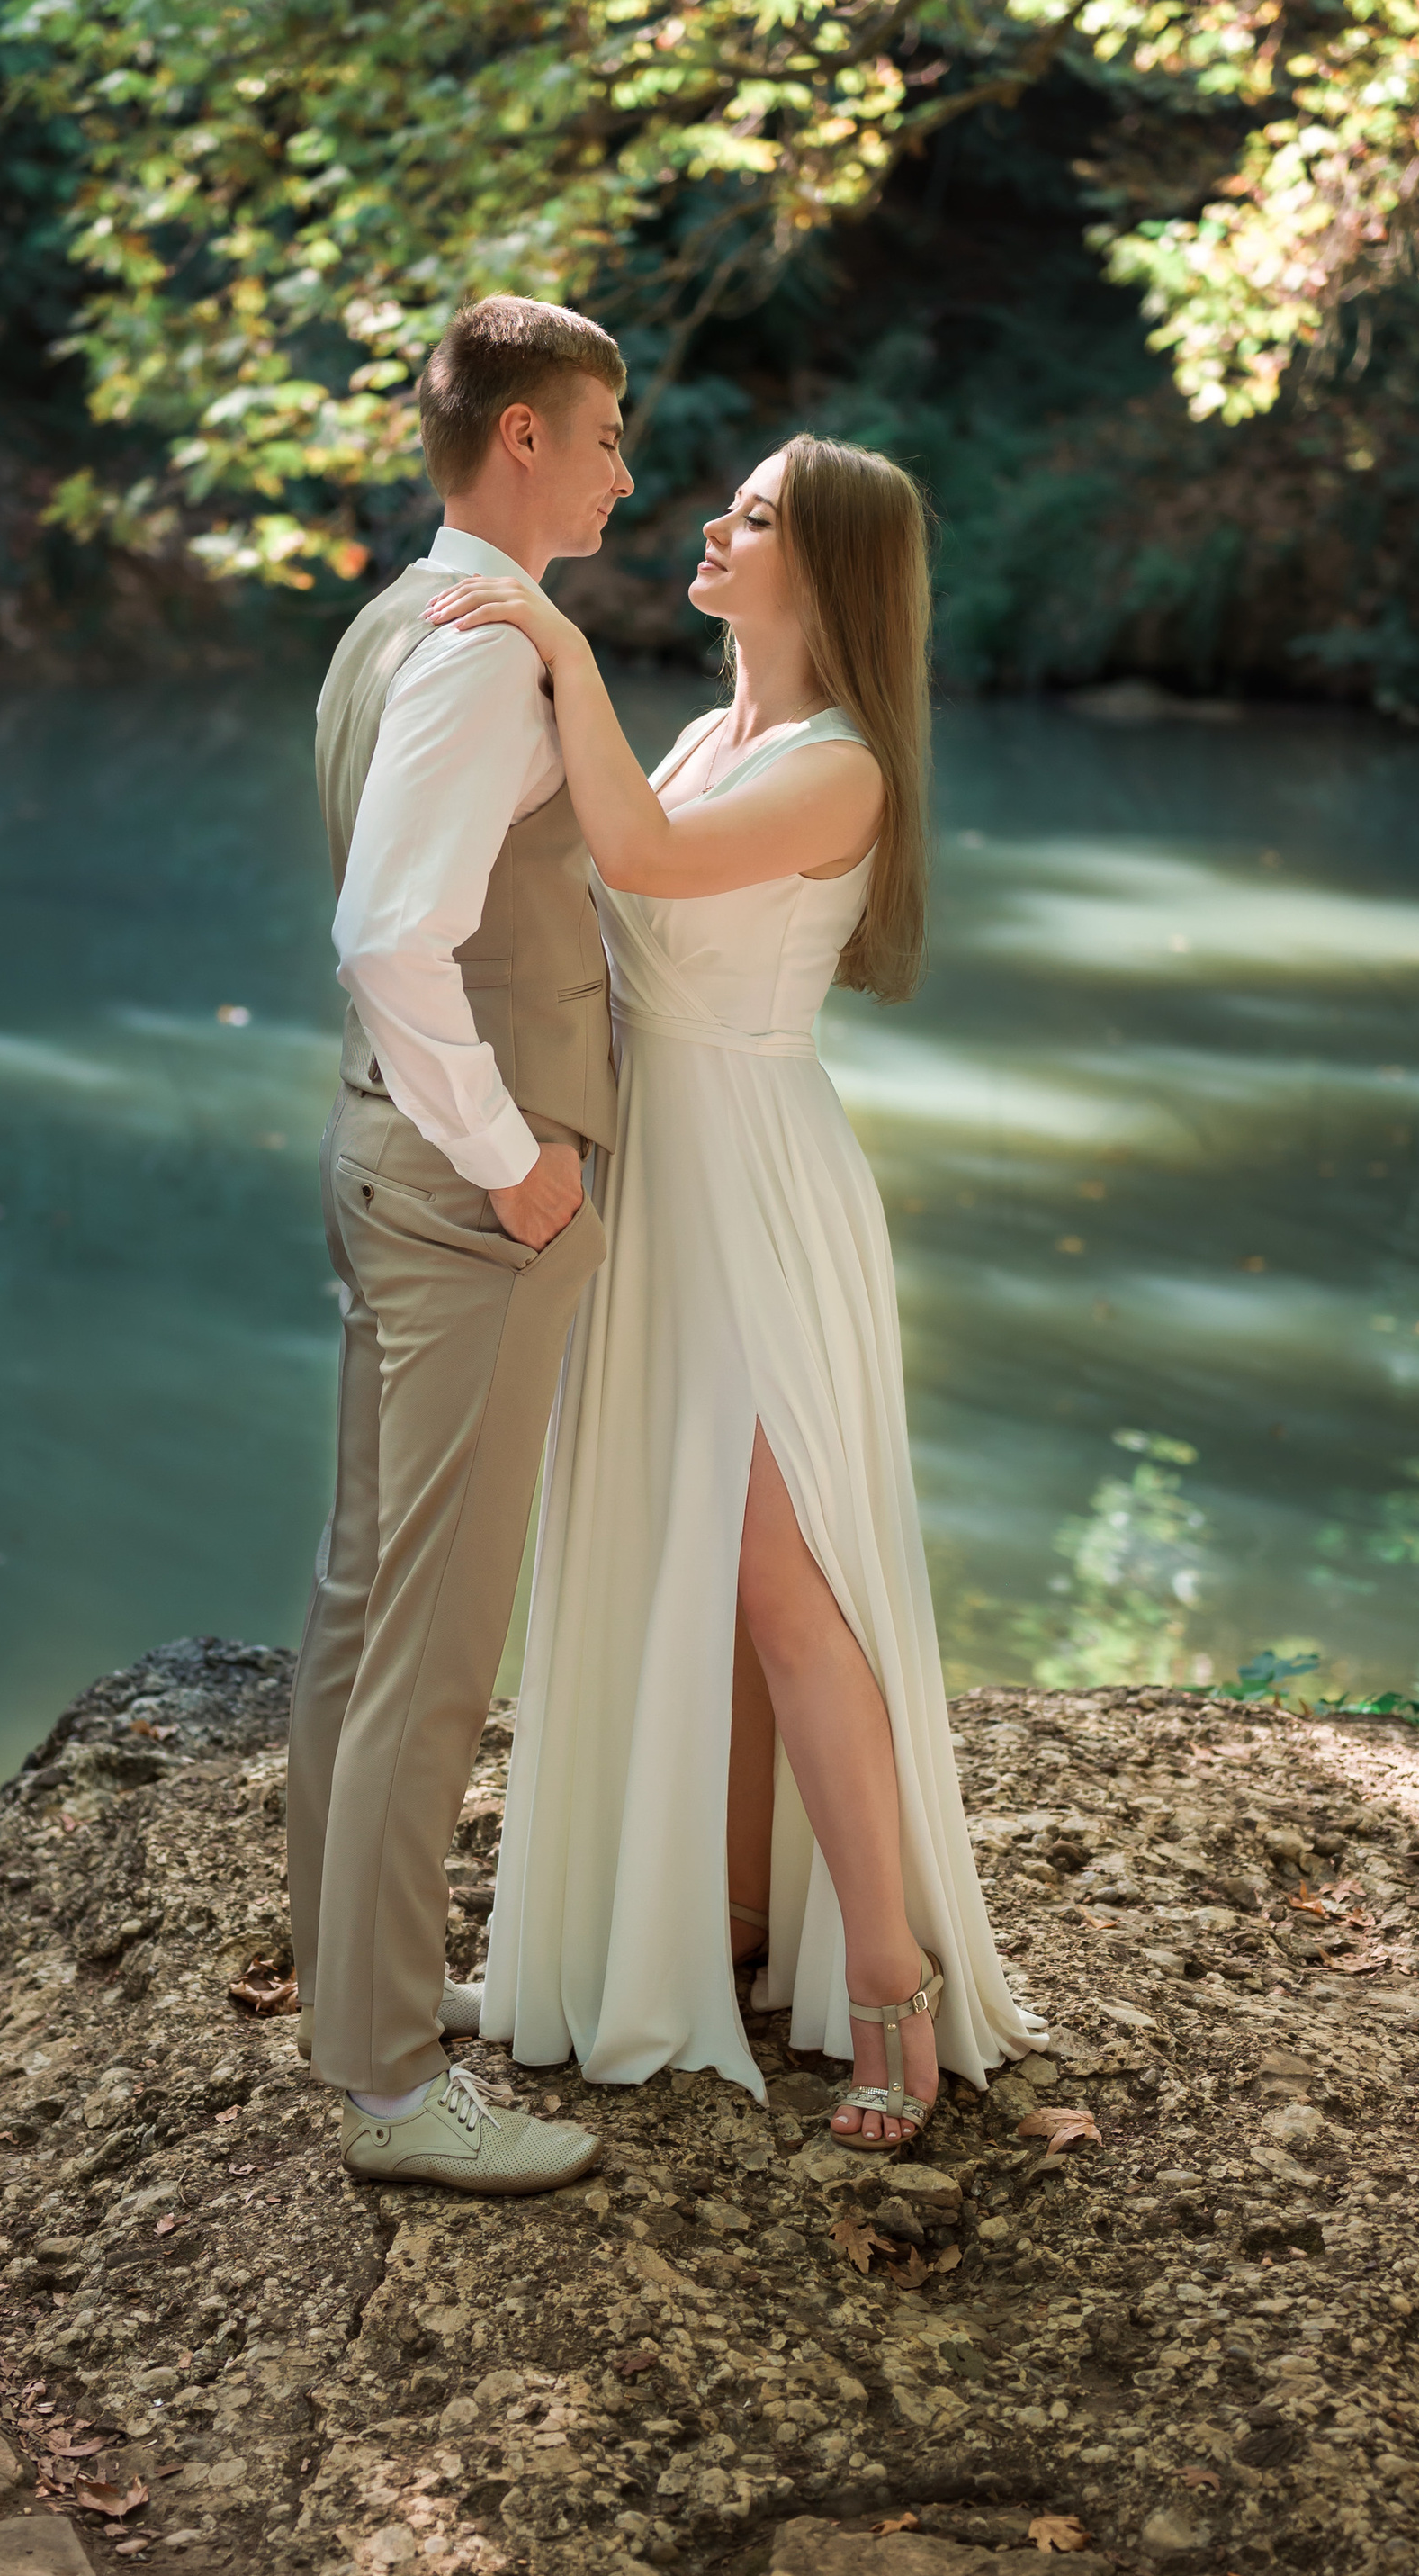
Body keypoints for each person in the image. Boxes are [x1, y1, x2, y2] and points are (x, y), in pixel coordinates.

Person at [427, 437, 1042, 2148]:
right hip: (662, 1179)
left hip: (757, 1188)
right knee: (690, 1562)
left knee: (786, 1585)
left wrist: (545, 635)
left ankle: (891, 1984)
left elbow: (631, 859)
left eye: (757, 515)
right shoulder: (714, 730)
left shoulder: (840, 768)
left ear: (828, 568)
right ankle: (701, 1927)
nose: (715, 521)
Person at [283, 294, 633, 2194]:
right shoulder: (481, 654)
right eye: (603, 433)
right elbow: (385, 937)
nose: (621, 470)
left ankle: (354, 2007)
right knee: (424, 1642)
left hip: (387, 1160)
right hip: (460, 1195)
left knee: (364, 1612)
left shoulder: (396, 622)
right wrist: (516, 1166)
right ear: (519, 435)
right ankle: (397, 2087)